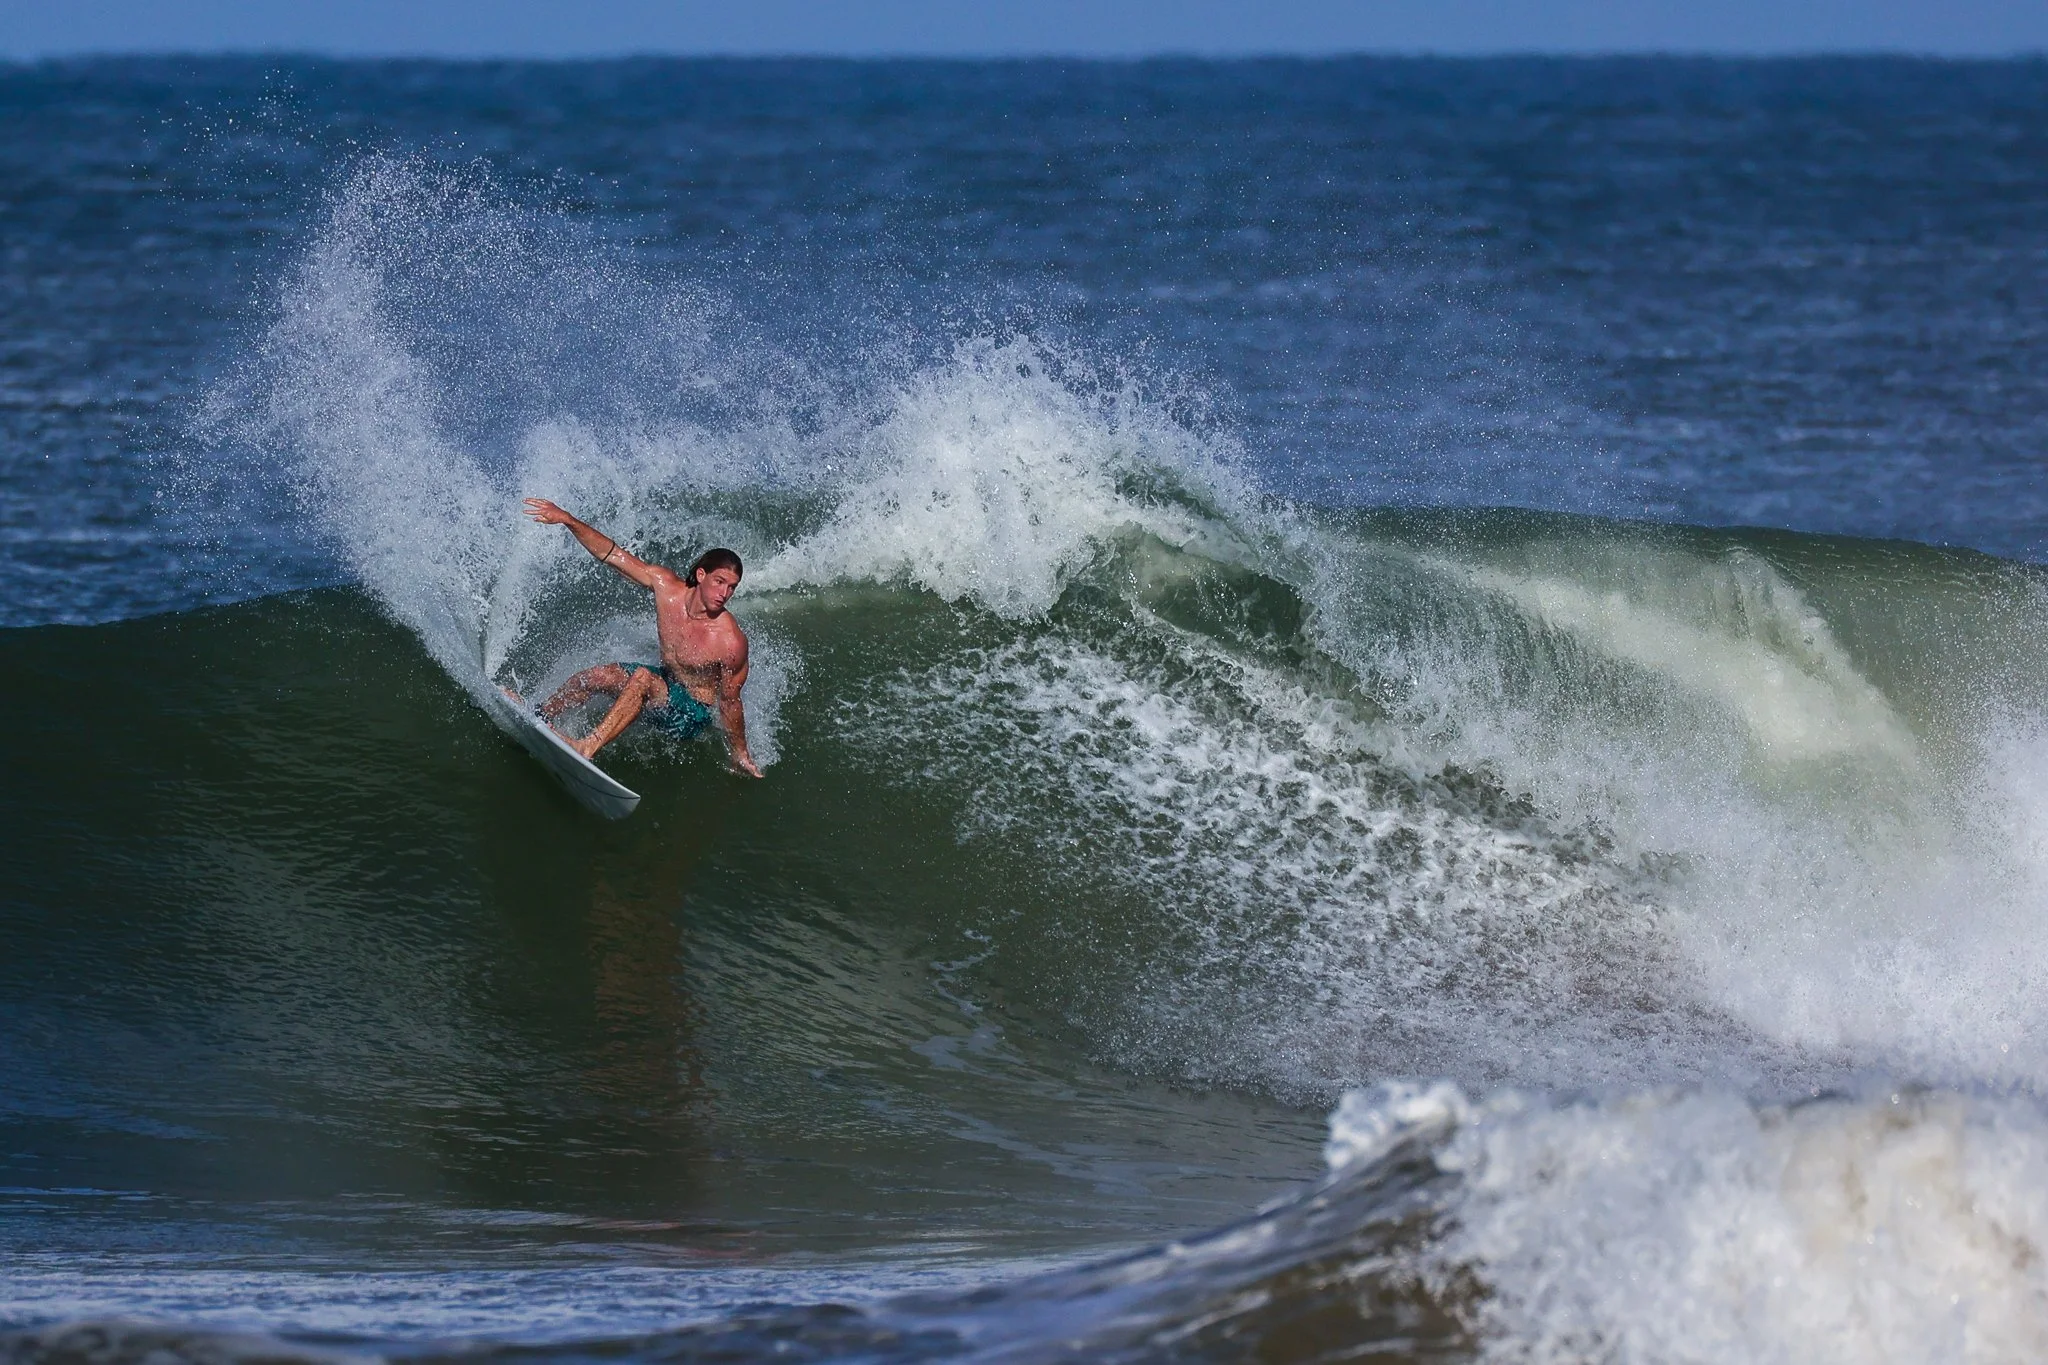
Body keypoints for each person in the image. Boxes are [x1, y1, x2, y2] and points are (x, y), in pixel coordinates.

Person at [520, 498, 763, 778]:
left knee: (643, 679)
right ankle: (541, 714)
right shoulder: (666, 588)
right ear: (701, 575)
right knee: (597, 676)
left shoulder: (730, 641)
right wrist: (568, 520)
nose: (724, 593)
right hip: (665, 686)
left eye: (732, 587)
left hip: (690, 715)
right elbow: (612, 555)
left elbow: (731, 703)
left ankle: (586, 747)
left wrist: (740, 754)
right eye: (719, 582)